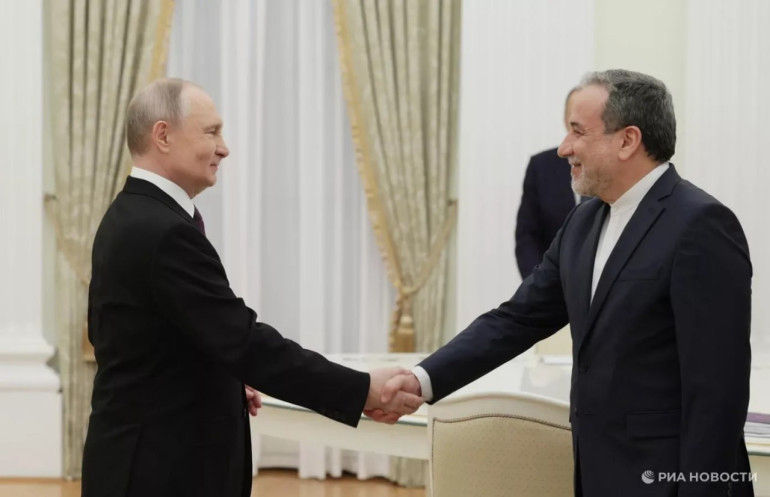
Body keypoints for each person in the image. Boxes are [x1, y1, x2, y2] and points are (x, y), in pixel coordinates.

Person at [381, 69, 754, 496]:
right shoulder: (583, 221)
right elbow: (516, 319)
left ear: (627, 140)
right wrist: (422, 379)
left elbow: (717, 394)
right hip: (596, 473)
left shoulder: (701, 225)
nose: (563, 148)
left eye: (577, 131)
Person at [81, 78, 420, 497]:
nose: (224, 148)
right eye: (211, 132)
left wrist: (219, 378)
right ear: (163, 136)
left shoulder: (133, 213)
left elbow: (147, 338)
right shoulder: (162, 230)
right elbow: (243, 342)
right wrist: (363, 389)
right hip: (158, 471)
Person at [515, 88, 584, 279]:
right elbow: (527, 236)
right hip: (551, 284)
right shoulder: (541, 166)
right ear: (565, 120)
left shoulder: (612, 165)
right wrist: (537, 284)